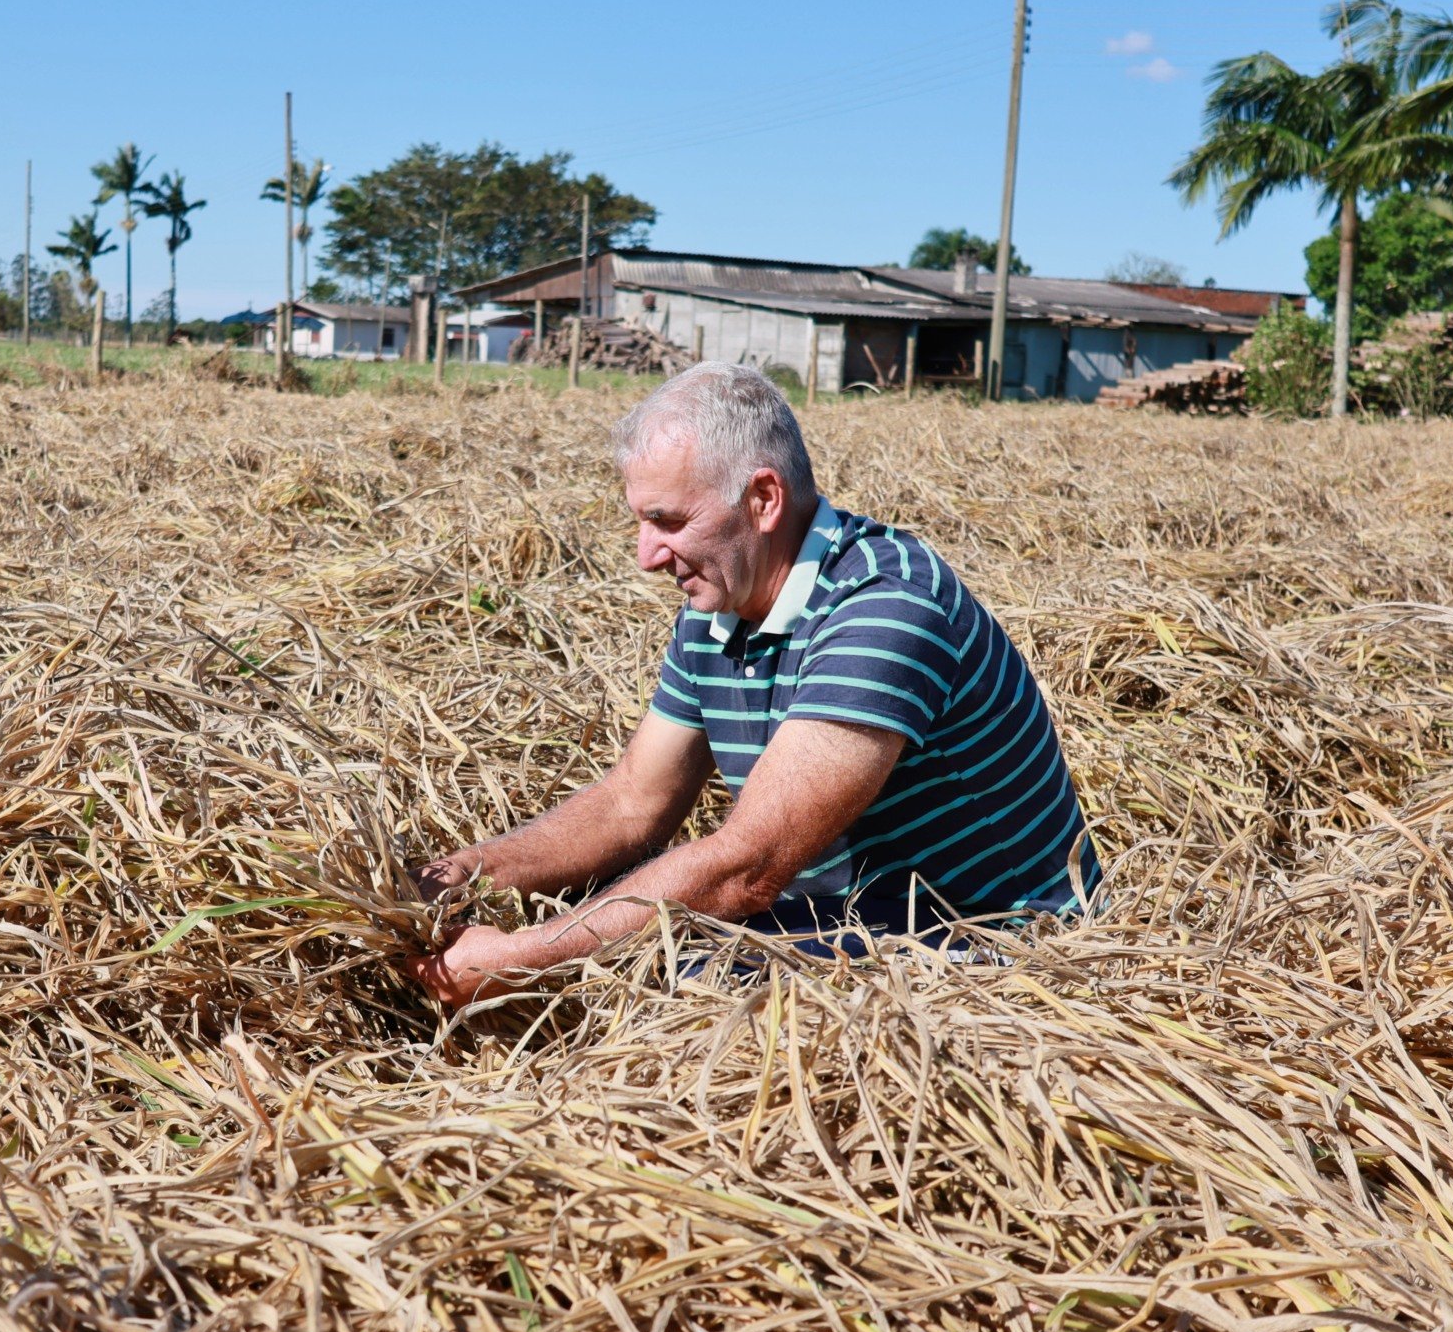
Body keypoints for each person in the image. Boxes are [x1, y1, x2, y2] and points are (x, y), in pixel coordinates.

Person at [408, 362, 1097, 1008]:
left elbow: (750, 865)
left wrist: (523, 957)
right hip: (854, 919)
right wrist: (460, 874)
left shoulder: (884, 605)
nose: (646, 555)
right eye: (642, 521)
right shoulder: (718, 608)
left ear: (764, 498)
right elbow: (631, 804)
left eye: (670, 522)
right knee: (595, 904)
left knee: (670, 972)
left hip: (1000, 945)